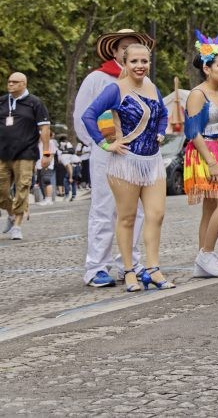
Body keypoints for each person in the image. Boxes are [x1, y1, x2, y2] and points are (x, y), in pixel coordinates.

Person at [81, 43, 173, 292]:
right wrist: (105, 144)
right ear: (125, 62)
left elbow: (163, 113)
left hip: (152, 162)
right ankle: (130, 271)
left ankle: (153, 269)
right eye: (134, 61)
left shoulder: (152, 87)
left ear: (149, 63)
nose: (140, 66)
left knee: (156, 215)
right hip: (125, 163)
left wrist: (161, 132)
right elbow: (89, 115)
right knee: (127, 217)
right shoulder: (115, 89)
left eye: (144, 61)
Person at [73, 29, 150, 285]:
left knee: (135, 210)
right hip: (107, 151)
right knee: (104, 208)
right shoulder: (98, 79)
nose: (131, 53)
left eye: (136, 49)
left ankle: (128, 263)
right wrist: (101, 145)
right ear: (116, 52)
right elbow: (82, 117)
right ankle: (96, 267)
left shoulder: (144, 82)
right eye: (125, 48)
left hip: (137, 154)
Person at [183, 31, 218, 278]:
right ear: (207, 68)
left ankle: (201, 260)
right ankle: (206, 253)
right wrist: (212, 162)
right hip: (204, 151)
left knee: (210, 207)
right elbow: (193, 132)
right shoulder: (197, 94)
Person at [1, 73, 50, 241]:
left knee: (22, 188)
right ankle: (11, 214)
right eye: (9, 82)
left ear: (23, 84)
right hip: (3, 152)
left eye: (15, 82)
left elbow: (44, 129)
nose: (10, 84)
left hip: (26, 153)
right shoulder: (2, 101)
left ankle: (17, 226)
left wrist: (46, 153)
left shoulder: (35, 103)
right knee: (1, 191)